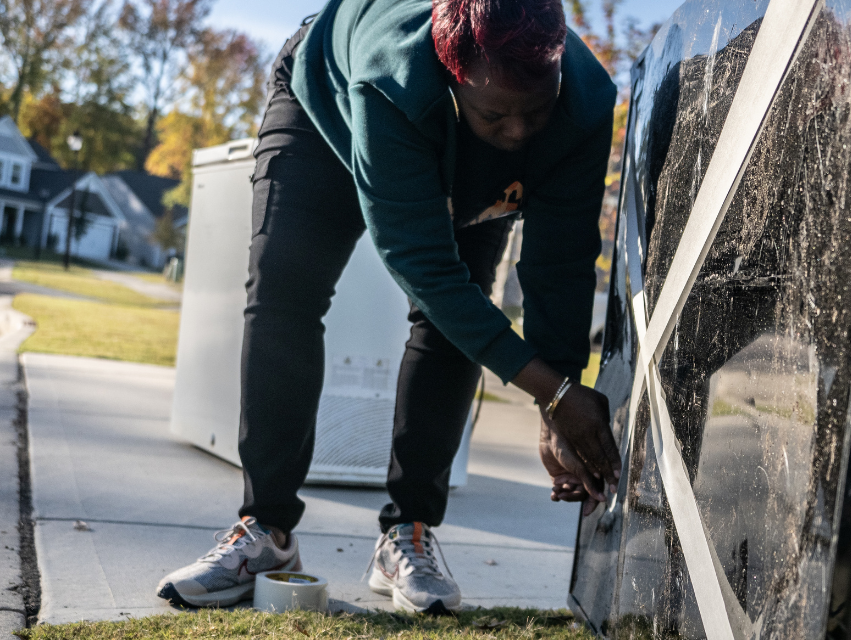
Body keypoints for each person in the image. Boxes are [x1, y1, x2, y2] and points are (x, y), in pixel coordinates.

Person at [155, 0, 622, 614]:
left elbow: (560, 263)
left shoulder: (583, 102)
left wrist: (555, 397)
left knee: (455, 324)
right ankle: (264, 530)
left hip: (447, 119)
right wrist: (554, 392)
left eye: (536, 111)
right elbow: (423, 266)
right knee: (284, 291)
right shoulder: (392, 78)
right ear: (455, 83)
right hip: (327, 102)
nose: (518, 134)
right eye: (497, 115)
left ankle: (411, 531)